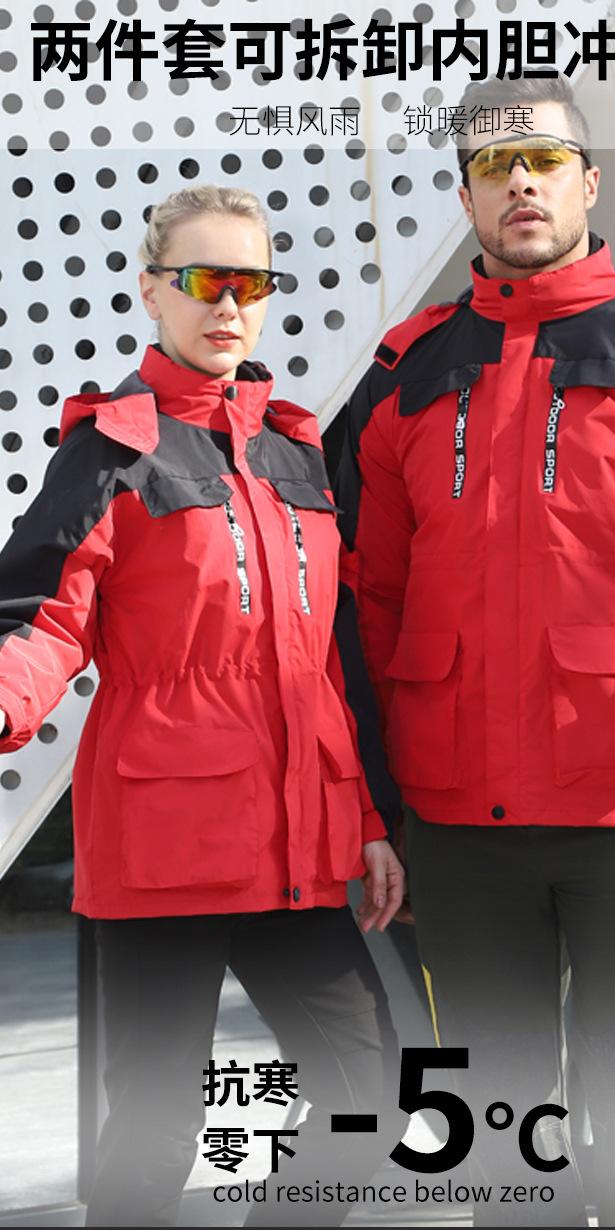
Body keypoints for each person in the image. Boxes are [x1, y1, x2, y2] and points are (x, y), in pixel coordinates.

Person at [334, 75, 615, 1227]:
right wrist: (371, 799)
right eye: (494, 166)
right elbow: (360, 600)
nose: (521, 183)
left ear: (588, 181)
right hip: (455, 823)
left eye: (542, 159)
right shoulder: (404, 380)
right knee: (501, 1132)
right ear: (466, 200)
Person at [0, 184, 405, 1227]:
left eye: (252, 283)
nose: (229, 304)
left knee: (367, 1096)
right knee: (153, 1132)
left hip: (295, 852)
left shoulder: (294, 452)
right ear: (152, 291)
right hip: (164, 851)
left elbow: (327, 663)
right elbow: (45, 615)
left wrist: (366, 821)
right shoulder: (111, 449)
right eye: (204, 279)